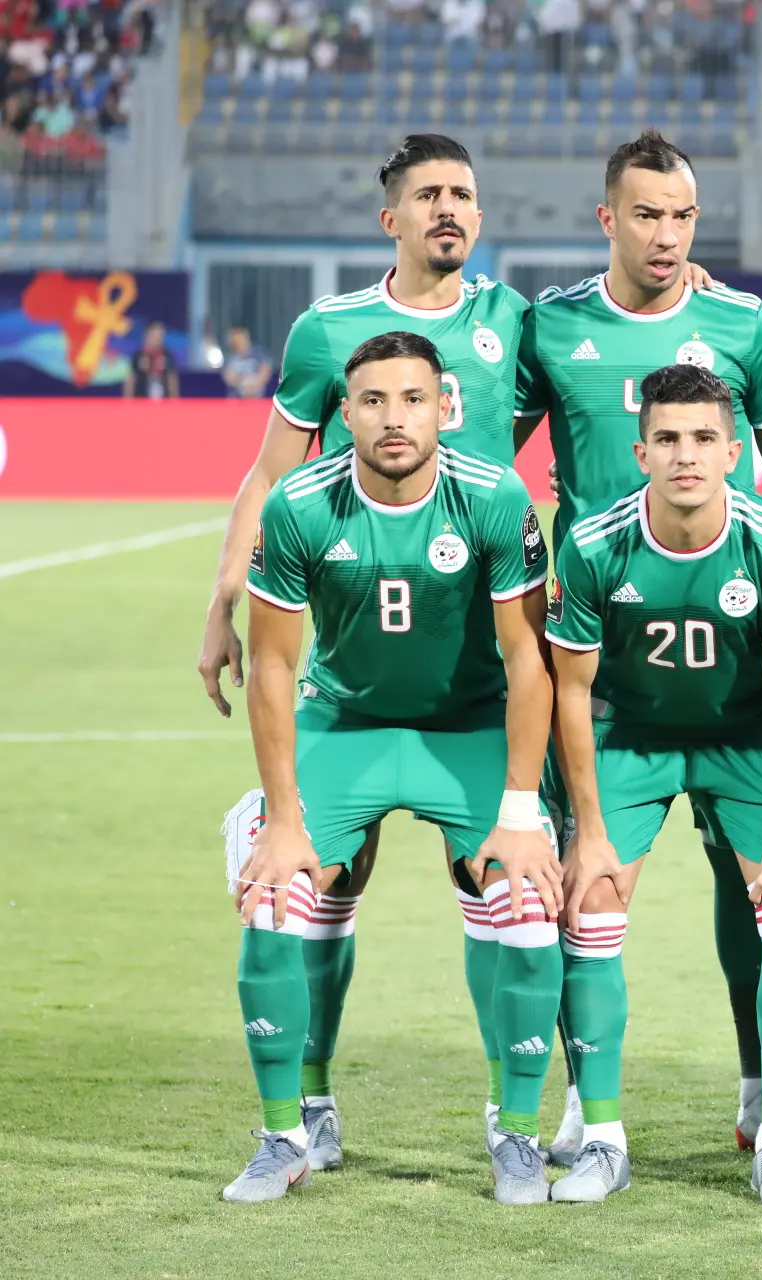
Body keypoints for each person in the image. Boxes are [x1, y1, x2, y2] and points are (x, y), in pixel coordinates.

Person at [196, 134, 539, 1175]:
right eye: (429, 195)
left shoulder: (514, 320)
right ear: (389, 217)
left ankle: (524, 1125)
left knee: (509, 887)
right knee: (320, 887)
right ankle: (303, 1110)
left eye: (465, 196)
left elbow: (626, 325)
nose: (450, 209)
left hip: (474, 665)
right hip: (351, 664)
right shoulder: (326, 331)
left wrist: (686, 272)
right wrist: (223, 592)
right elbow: (269, 473)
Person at [226, 331, 559, 1205]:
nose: (394, 418)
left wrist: (521, 810)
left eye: (413, 398)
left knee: (525, 906)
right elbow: (269, 667)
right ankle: (289, 1128)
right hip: (345, 725)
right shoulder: (299, 503)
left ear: (445, 407)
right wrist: (285, 817)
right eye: (373, 401)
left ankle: (516, 1133)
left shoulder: (493, 496)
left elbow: (530, 663)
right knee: (273, 895)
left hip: (469, 727)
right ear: (346, 412)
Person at [514, 130, 762, 1163]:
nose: (668, 235)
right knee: (581, 878)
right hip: (597, 659)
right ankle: (590, 1105)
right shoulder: (554, 325)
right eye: (646, 214)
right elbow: (498, 464)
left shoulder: (744, 326)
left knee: (753, 878)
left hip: (730, 657)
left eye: (683, 216)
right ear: (608, 219)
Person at [546, 363, 762, 1206]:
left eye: (703, 438)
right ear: (641, 451)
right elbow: (568, 690)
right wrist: (589, 831)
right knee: (591, 902)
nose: (686, 455)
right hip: (630, 736)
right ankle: (601, 1142)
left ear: (733, 451)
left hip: (741, 739)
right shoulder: (594, 543)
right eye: (667, 438)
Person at [124, 319, 178, 399]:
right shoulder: (138, 355)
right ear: (147, 336)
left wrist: (174, 400)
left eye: (161, 336)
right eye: (155, 336)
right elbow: (131, 379)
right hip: (141, 401)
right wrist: (128, 400)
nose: (158, 339)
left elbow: (172, 379)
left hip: (163, 403)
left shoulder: (167, 356)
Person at [221, 325, 275, 399]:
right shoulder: (230, 358)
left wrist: (255, 382)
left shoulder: (259, 354)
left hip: (257, 401)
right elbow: (229, 378)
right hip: (236, 401)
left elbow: (265, 371)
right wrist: (243, 382)